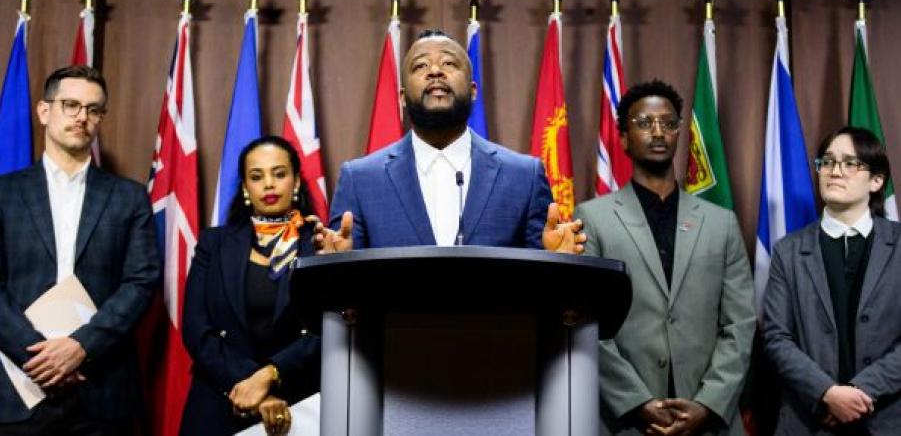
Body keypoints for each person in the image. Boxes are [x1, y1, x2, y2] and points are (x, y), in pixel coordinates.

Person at [574, 80, 755, 436]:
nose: (658, 132)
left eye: (668, 123)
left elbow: (740, 324)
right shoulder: (592, 218)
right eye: (644, 123)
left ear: (678, 134)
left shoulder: (721, 223)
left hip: (708, 420)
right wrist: (637, 403)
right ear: (623, 138)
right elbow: (587, 321)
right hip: (627, 421)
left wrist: (708, 404)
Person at [314, 29, 584, 254]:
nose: (435, 71)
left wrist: (559, 262)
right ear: (402, 98)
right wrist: (335, 266)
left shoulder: (523, 176)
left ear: (473, 91)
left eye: (449, 64)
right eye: (420, 65)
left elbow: (542, 280)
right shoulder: (361, 180)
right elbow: (345, 283)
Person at [0, 66, 160, 434]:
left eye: (93, 109)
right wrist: (38, 355)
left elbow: (140, 282)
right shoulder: (4, 194)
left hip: (102, 387)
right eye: (70, 105)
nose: (81, 117)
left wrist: (80, 347)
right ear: (44, 111)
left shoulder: (129, 197)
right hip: (19, 387)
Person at [762, 126, 901, 435]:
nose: (834, 171)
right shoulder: (788, 251)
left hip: (887, 419)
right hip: (808, 420)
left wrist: (860, 391)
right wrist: (826, 393)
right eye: (827, 162)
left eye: (850, 163)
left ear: (876, 181)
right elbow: (775, 336)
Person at [180, 136, 320, 436]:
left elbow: (326, 331)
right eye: (257, 177)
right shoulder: (214, 244)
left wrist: (271, 374)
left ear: (296, 181)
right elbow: (196, 328)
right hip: (219, 401)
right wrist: (251, 387)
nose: (268, 184)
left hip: (298, 405)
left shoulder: (321, 244)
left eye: (279, 174)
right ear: (245, 188)